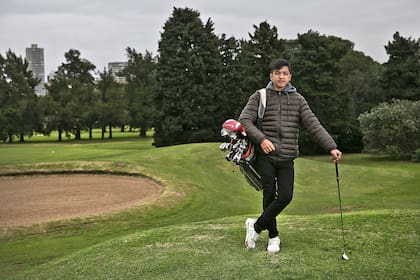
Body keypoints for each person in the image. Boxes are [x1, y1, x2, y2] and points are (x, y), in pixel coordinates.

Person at [238, 58, 342, 253]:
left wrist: (331, 147)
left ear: (290, 76)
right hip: (265, 156)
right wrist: (262, 139)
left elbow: (313, 125)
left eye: (285, 73)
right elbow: (245, 119)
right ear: (271, 76)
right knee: (269, 195)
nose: (281, 76)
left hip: (287, 157)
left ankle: (256, 226)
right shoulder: (259, 96)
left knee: (285, 196)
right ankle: (274, 237)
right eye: (277, 73)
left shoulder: (298, 100)